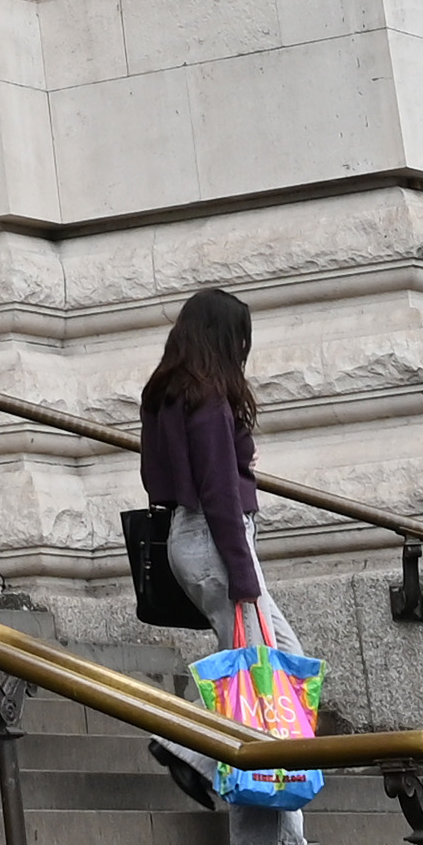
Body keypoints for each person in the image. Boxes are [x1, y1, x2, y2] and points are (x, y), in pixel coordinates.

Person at [137, 285, 273, 812]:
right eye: (238, 339)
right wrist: (243, 572)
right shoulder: (210, 399)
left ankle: (186, 749)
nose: (243, 350)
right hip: (217, 538)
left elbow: (156, 477)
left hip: (184, 535)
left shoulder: (166, 394)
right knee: (255, 662)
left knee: (264, 656)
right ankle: (183, 747)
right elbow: (219, 493)